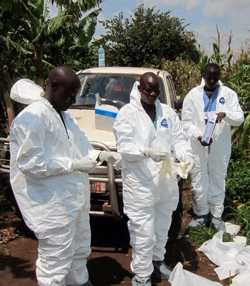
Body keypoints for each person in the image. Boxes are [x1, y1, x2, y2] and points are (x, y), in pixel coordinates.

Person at [10, 66, 119, 286]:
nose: (73, 99)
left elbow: (81, 146)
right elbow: (31, 163)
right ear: (52, 87)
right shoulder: (32, 118)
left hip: (73, 199)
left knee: (79, 247)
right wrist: (73, 164)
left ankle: (79, 281)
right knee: (55, 258)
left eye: (75, 94)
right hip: (52, 206)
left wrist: (102, 154)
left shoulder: (65, 116)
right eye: (69, 94)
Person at [113, 72, 193, 286]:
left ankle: (157, 262)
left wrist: (186, 156)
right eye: (147, 89)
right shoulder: (127, 114)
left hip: (166, 183)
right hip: (141, 185)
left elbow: (179, 139)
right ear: (139, 89)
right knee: (143, 233)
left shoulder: (167, 112)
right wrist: (146, 151)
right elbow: (124, 146)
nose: (151, 93)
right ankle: (141, 276)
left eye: (155, 90)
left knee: (161, 227)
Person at [181, 63, 244, 231]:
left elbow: (239, 118)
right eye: (209, 77)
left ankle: (216, 215)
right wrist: (198, 135)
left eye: (215, 77)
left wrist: (226, 115)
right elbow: (186, 123)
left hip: (220, 146)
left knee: (217, 177)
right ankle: (201, 214)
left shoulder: (229, 94)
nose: (211, 80)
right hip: (198, 144)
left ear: (219, 76)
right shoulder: (192, 95)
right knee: (198, 178)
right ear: (203, 75)